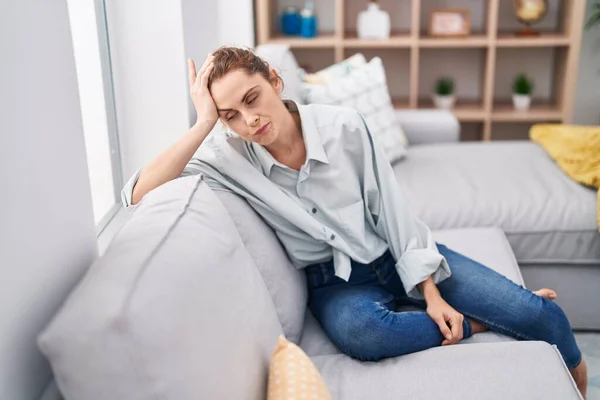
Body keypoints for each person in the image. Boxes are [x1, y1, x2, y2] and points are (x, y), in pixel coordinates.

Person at [121, 47, 587, 398]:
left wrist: (430, 292)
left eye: (252, 98)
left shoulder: (344, 126)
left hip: (395, 250)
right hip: (336, 282)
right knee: (366, 334)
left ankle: (517, 327)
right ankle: (475, 324)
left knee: (537, 315)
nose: (250, 120)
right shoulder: (227, 155)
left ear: (275, 80)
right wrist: (204, 123)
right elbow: (137, 193)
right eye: (231, 115)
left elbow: (393, 211)